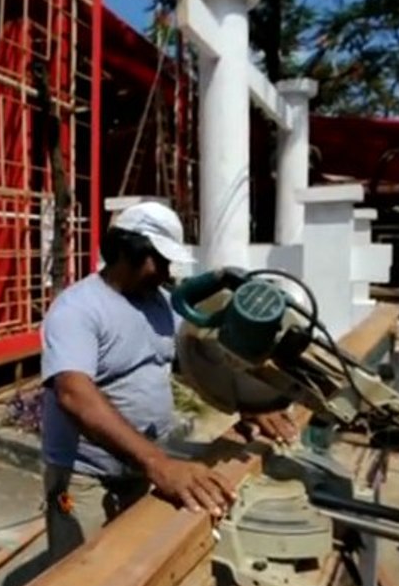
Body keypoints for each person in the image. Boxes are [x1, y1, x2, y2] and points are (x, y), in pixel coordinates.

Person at [38, 201, 296, 563]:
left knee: (130, 568)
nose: (166, 271)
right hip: (86, 478)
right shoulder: (77, 309)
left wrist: (247, 404)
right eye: (158, 261)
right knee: (79, 580)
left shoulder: (162, 304)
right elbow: (74, 394)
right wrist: (160, 464)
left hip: (137, 468)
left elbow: (192, 364)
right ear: (126, 251)